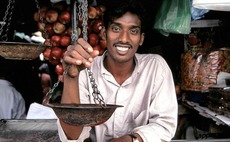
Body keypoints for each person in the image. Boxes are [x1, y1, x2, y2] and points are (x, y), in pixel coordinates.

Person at [57, 0, 178, 141]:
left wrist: (129, 140)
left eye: (133, 31)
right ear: (104, 33)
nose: (124, 38)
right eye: (116, 28)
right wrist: (72, 78)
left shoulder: (155, 67)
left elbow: (164, 125)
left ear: (141, 39)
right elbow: (72, 136)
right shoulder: (84, 68)